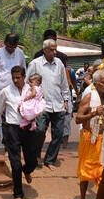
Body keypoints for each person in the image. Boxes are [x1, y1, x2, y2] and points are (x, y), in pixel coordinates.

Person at [0, 65, 43, 199]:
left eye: (18, 78)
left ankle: (27, 171)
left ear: (24, 77)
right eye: (13, 77)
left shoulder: (32, 90)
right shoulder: (6, 91)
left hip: (28, 129)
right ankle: (18, 193)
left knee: (32, 161)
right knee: (15, 163)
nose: (15, 80)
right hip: (11, 129)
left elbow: (41, 104)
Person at [27, 39, 75, 168]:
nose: (55, 52)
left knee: (58, 133)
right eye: (52, 50)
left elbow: (64, 85)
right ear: (45, 50)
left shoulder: (59, 63)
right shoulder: (35, 64)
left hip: (58, 104)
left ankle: (50, 160)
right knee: (40, 131)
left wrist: (66, 100)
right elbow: (27, 84)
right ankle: (36, 155)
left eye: (56, 49)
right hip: (41, 105)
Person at [75, 68, 104, 199]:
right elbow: (78, 118)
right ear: (95, 84)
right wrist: (94, 113)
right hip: (90, 139)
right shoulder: (89, 97)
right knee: (86, 171)